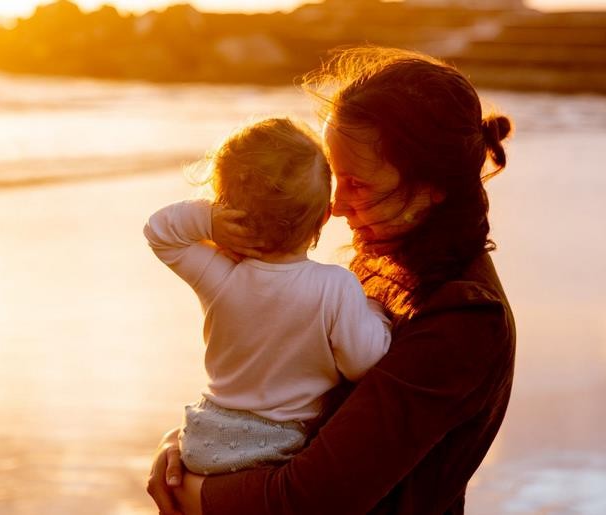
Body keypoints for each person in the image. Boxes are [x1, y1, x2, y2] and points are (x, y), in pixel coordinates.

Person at [147, 46, 516, 515]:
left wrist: (190, 493)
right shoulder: (386, 267)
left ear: (432, 187)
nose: (336, 208)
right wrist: (183, 445)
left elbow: (310, 500)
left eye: (357, 185)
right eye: (335, 180)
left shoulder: (465, 318)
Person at [144, 117, 392, 476]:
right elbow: (363, 361)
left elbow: (160, 232)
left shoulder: (220, 276)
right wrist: (374, 311)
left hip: (203, 437)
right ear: (324, 216)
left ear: (226, 205)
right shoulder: (337, 287)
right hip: (277, 446)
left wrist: (208, 222)